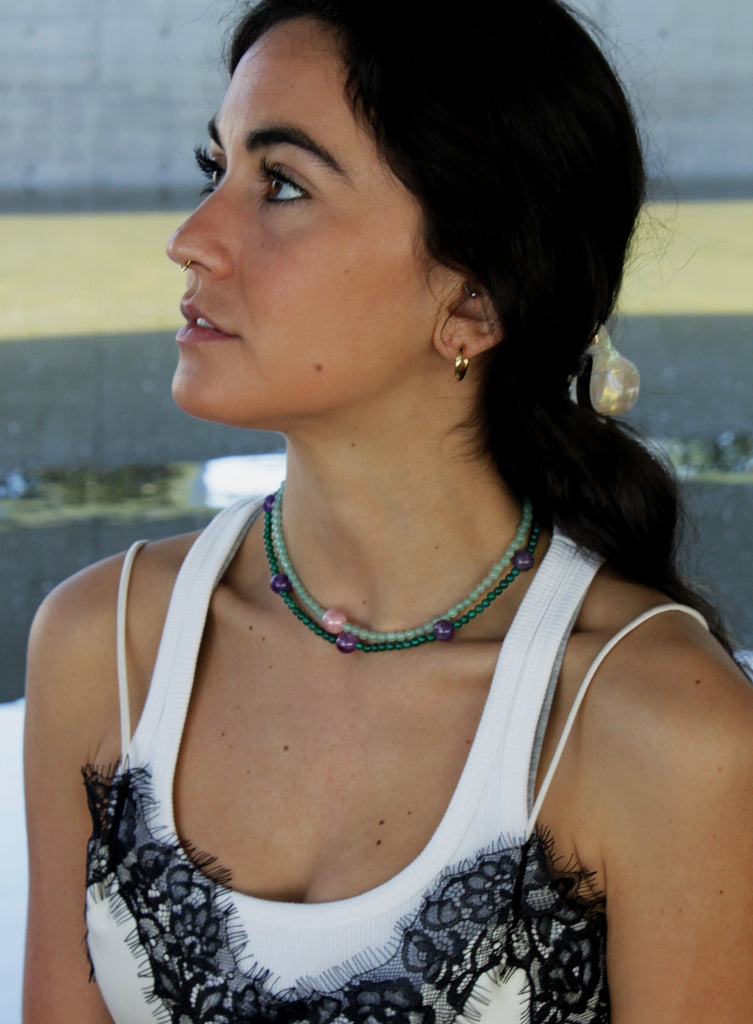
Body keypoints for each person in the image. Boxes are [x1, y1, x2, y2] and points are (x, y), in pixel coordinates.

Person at [23, 1, 753, 1021]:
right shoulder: (101, 648)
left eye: (280, 184)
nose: (190, 240)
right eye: (215, 170)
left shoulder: (661, 726)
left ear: (476, 300)